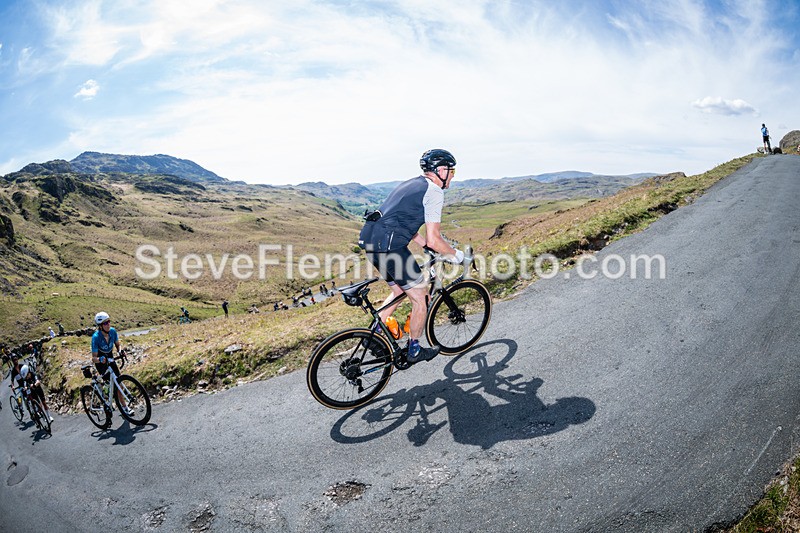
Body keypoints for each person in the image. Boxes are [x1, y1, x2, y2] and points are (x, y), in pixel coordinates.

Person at [358, 149, 464, 364]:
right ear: (441, 170)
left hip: (370, 241)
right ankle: (414, 349)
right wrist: (457, 256)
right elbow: (435, 239)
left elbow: (401, 220)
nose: (453, 176)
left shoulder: (412, 183)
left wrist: (423, 244)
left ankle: (375, 335)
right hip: (389, 247)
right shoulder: (434, 192)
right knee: (421, 297)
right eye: (451, 171)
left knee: (399, 290)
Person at [91, 312, 130, 414]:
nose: (108, 324)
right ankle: (106, 397)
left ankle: (124, 407)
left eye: (108, 321)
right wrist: (100, 359)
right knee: (112, 384)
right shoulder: (96, 337)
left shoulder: (112, 331)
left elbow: (118, 345)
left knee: (119, 384)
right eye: (105, 323)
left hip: (110, 359)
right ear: (100, 326)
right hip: (101, 363)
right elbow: (93, 358)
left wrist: (120, 351)